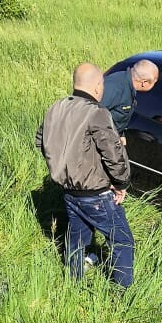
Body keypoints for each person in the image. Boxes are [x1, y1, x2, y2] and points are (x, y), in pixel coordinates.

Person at [36, 62, 134, 289]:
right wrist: (121, 183)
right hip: (97, 194)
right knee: (122, 241)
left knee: (78, 238)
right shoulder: (97, 113)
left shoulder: (56, 107)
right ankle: (123, 295)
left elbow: (41, 141)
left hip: (69, 192)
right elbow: (113, 155)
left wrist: (63, 165)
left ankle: (74, 282)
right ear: (98, 85)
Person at [100, 59, 159, 141]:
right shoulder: (115, 88)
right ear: (144, 83)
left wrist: (120, 134)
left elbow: (116, 114)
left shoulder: (129, 85)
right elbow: (91, 116)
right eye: (154, 82)